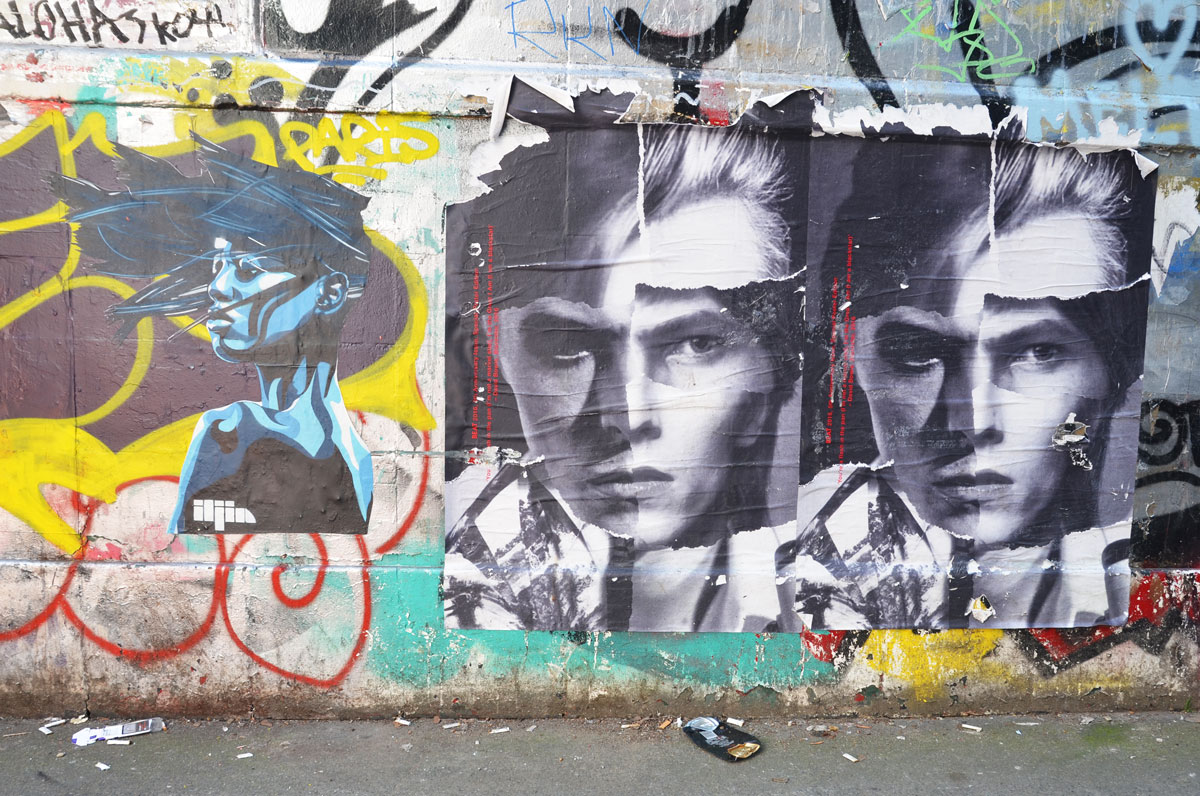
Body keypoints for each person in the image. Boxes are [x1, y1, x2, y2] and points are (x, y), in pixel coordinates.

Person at [444, 124, 803, 632]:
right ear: (497, 351)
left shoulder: (830, 581)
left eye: (695, 344)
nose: (628, 417)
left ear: (766, 378)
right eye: (570, 344)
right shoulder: (463, 601)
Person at [783, 141, 1152, 630]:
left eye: (1036, 353)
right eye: (918, 354)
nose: (973, 422)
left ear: (1113, 371)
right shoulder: (799, 568)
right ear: (850, 355)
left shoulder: (1139, 595)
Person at [53, 137, 375, 534]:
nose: (217, 287)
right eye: (218, 267)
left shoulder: (231, 432)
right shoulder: (358, 459)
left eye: (249, 268)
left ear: (328, 293)